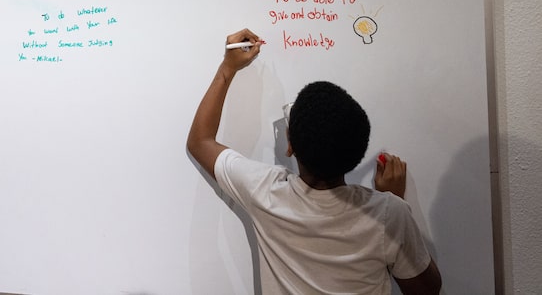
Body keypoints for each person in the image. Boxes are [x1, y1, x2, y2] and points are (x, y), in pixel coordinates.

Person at [187, 28, 442, 295]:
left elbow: (200, 141)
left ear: (290, 146)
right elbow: (427, 290)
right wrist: (393, 200)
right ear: (358, 153)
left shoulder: (265, 192)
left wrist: (227, 69)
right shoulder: (389, 214)